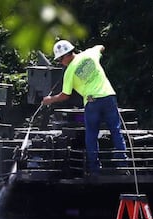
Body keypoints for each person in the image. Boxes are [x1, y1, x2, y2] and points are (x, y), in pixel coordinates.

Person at [41, 39, 127, 174]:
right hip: (109, 96)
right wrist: (91, 51)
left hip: (92, 101)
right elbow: (101, 46)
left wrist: (50, 100)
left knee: (92, 134)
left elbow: (65, 95)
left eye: (60, 60)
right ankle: (123, 164)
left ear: (66, 55)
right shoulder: (90, 54)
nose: (60, 63)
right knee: (116, 130)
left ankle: (94, 168)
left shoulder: (69, 72)